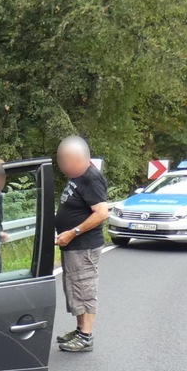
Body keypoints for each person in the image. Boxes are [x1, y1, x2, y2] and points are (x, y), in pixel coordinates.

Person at [53, 135, 110, 353]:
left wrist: (73, 232)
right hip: (73, 246)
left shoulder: (91, 177)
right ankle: (79, 331)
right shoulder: (78, 175)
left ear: (80, 159)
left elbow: (101, 213)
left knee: (85, 288)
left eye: (66, 162)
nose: (63, 167)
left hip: (84, 246)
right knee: (75, 289)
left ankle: (85, 337)